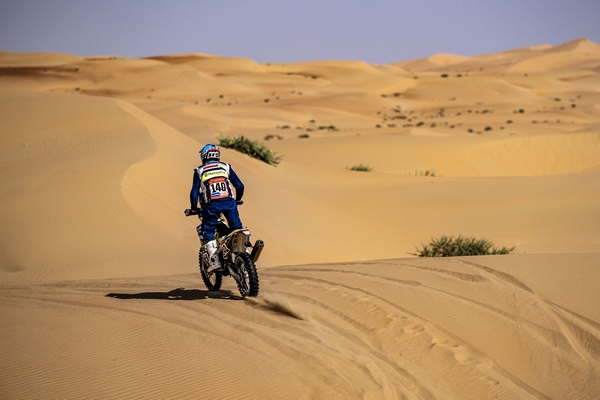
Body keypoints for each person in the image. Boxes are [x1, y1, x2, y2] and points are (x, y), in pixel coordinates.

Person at [189, 144, 244, 272]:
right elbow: (240, 186)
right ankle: (244, 253)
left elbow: (194, 193)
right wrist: (237, 199)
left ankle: (215, 261)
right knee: (237, 229)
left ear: (204, 155)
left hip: (212, 206)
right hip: (229, 203)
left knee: (207, 231)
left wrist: (193, 207)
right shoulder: (226, 166)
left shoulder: (200, 170)